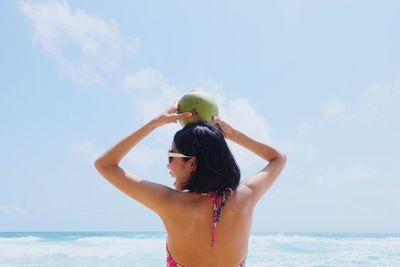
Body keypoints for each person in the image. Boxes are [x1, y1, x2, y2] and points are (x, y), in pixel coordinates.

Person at [94, 99, 287, 267]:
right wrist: (233, 135)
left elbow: (105, 165)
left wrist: (154, 123)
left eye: (171, 156)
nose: (167, 165)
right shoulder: (246, 195)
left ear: (192, 162)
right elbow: (278, 158)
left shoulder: (168, 202)